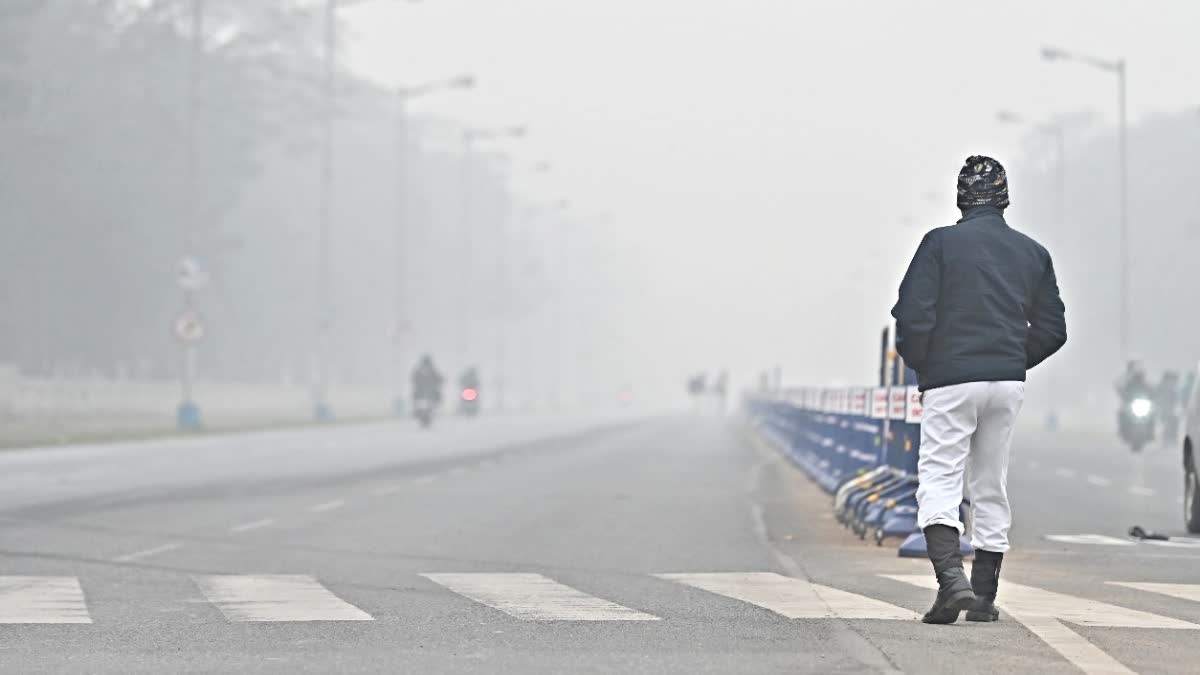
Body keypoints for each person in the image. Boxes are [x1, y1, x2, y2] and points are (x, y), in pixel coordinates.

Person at [891, 156, 1067, 625]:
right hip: (1006, 383)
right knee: (991, 481)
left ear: (961, 198)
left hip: (950, 380)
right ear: (1005, 197)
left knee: (940, 480)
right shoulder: (1033, 253)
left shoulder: (940, 244)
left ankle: (952, 583)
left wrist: (927, 363)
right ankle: (984, 599)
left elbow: (911, 317)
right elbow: (1053, 329)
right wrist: (1010, 358)